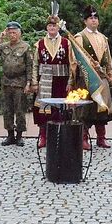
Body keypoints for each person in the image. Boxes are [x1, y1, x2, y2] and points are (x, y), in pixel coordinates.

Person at [72, 5, 112, 150]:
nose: (93, 20)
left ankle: (101, 138)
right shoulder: (79, 37)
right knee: (85, 110)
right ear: (85, 21)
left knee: (102, 108)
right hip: (86, 79)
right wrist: (72, 80)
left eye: (95, 18)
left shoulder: (103, 38)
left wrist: (111, 75)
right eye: (90, 18)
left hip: (101, 78)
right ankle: (83, 138)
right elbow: (75, 60)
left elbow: (108, 60)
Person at [29, 11, 74, 149]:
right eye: (49, 26)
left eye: (54, 26)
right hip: (45, 80)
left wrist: (70, 82)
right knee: (43, 109)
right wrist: (35, 82)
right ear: (47, 28)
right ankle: (43, 135)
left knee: (61, 108)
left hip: (62, 80)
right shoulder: (40, 44)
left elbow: (72, 64)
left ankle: (61, 136)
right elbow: (35, 64)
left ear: (58, 27)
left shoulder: (67, 43)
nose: (52, 28)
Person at [0, 21, 32, 147]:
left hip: (20, 82)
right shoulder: (4, 46)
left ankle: (19, 136)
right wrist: (0, 38)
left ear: (19, 33)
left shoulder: (25, 47)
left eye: (14, 32)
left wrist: (29, 83)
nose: (12, 35)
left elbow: (29, 66)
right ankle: (10, 135)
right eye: (10, 32)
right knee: (7, 110)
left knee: (20, 110)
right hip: (6, 82)